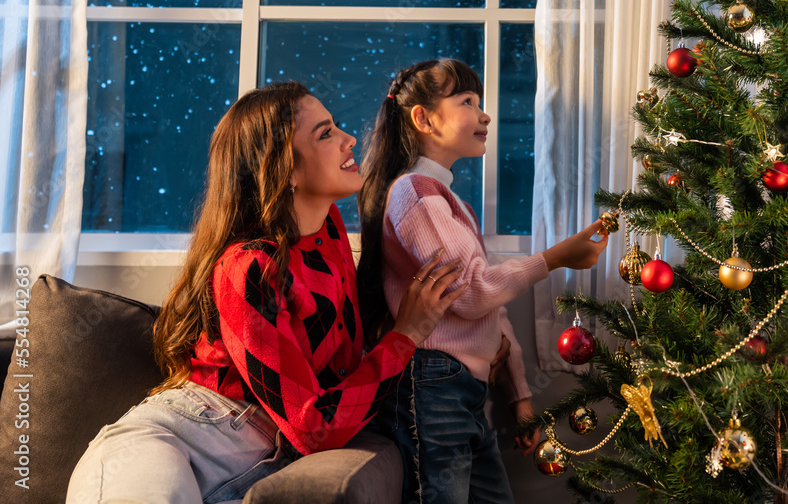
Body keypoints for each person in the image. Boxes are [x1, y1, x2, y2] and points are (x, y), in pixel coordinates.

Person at [67, 82, 467, 504]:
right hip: (176, 439)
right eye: (326, 133)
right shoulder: (249, 268)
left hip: (252, 461)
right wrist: (404, 336)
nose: (350, 139)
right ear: (285, 168)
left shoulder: (327, 227)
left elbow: (337, 372)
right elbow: (314, 426)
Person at [357, 59, 608, 504]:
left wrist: (519, 396)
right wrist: (553, 258)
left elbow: (491, 307)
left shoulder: (453, 205)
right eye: (467, 102)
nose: (485, 114)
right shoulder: (413, 194)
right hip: (432, 384)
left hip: (464, 390)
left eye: (480, 103)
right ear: (424, 118)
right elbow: (472, 294)